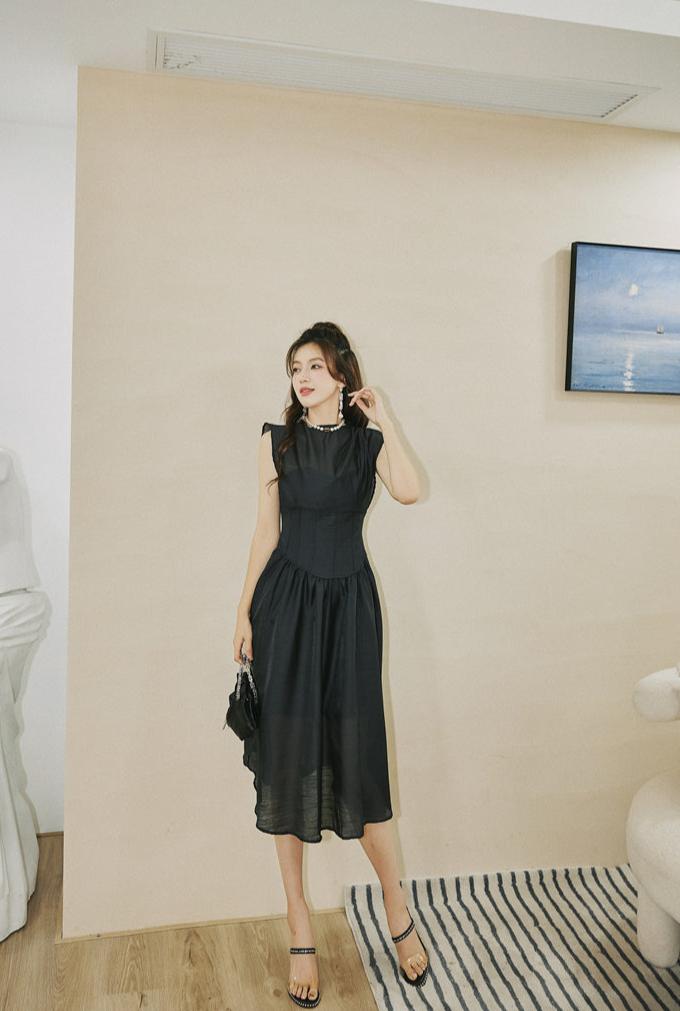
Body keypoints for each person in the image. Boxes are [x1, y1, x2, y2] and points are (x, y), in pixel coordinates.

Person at [233, 321, 428, 1007]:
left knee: (360, 760)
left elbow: (409, 490)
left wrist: (386, 419)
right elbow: (266, 531)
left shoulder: (367, 441)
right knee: (288, 761)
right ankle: (300, 926)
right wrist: (242, 613)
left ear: (342, 374)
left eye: (315, 366)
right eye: (295, 368)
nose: (303, 378)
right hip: (285, 608)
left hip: (349, 612)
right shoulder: (276, 441)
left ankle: (396, 909)